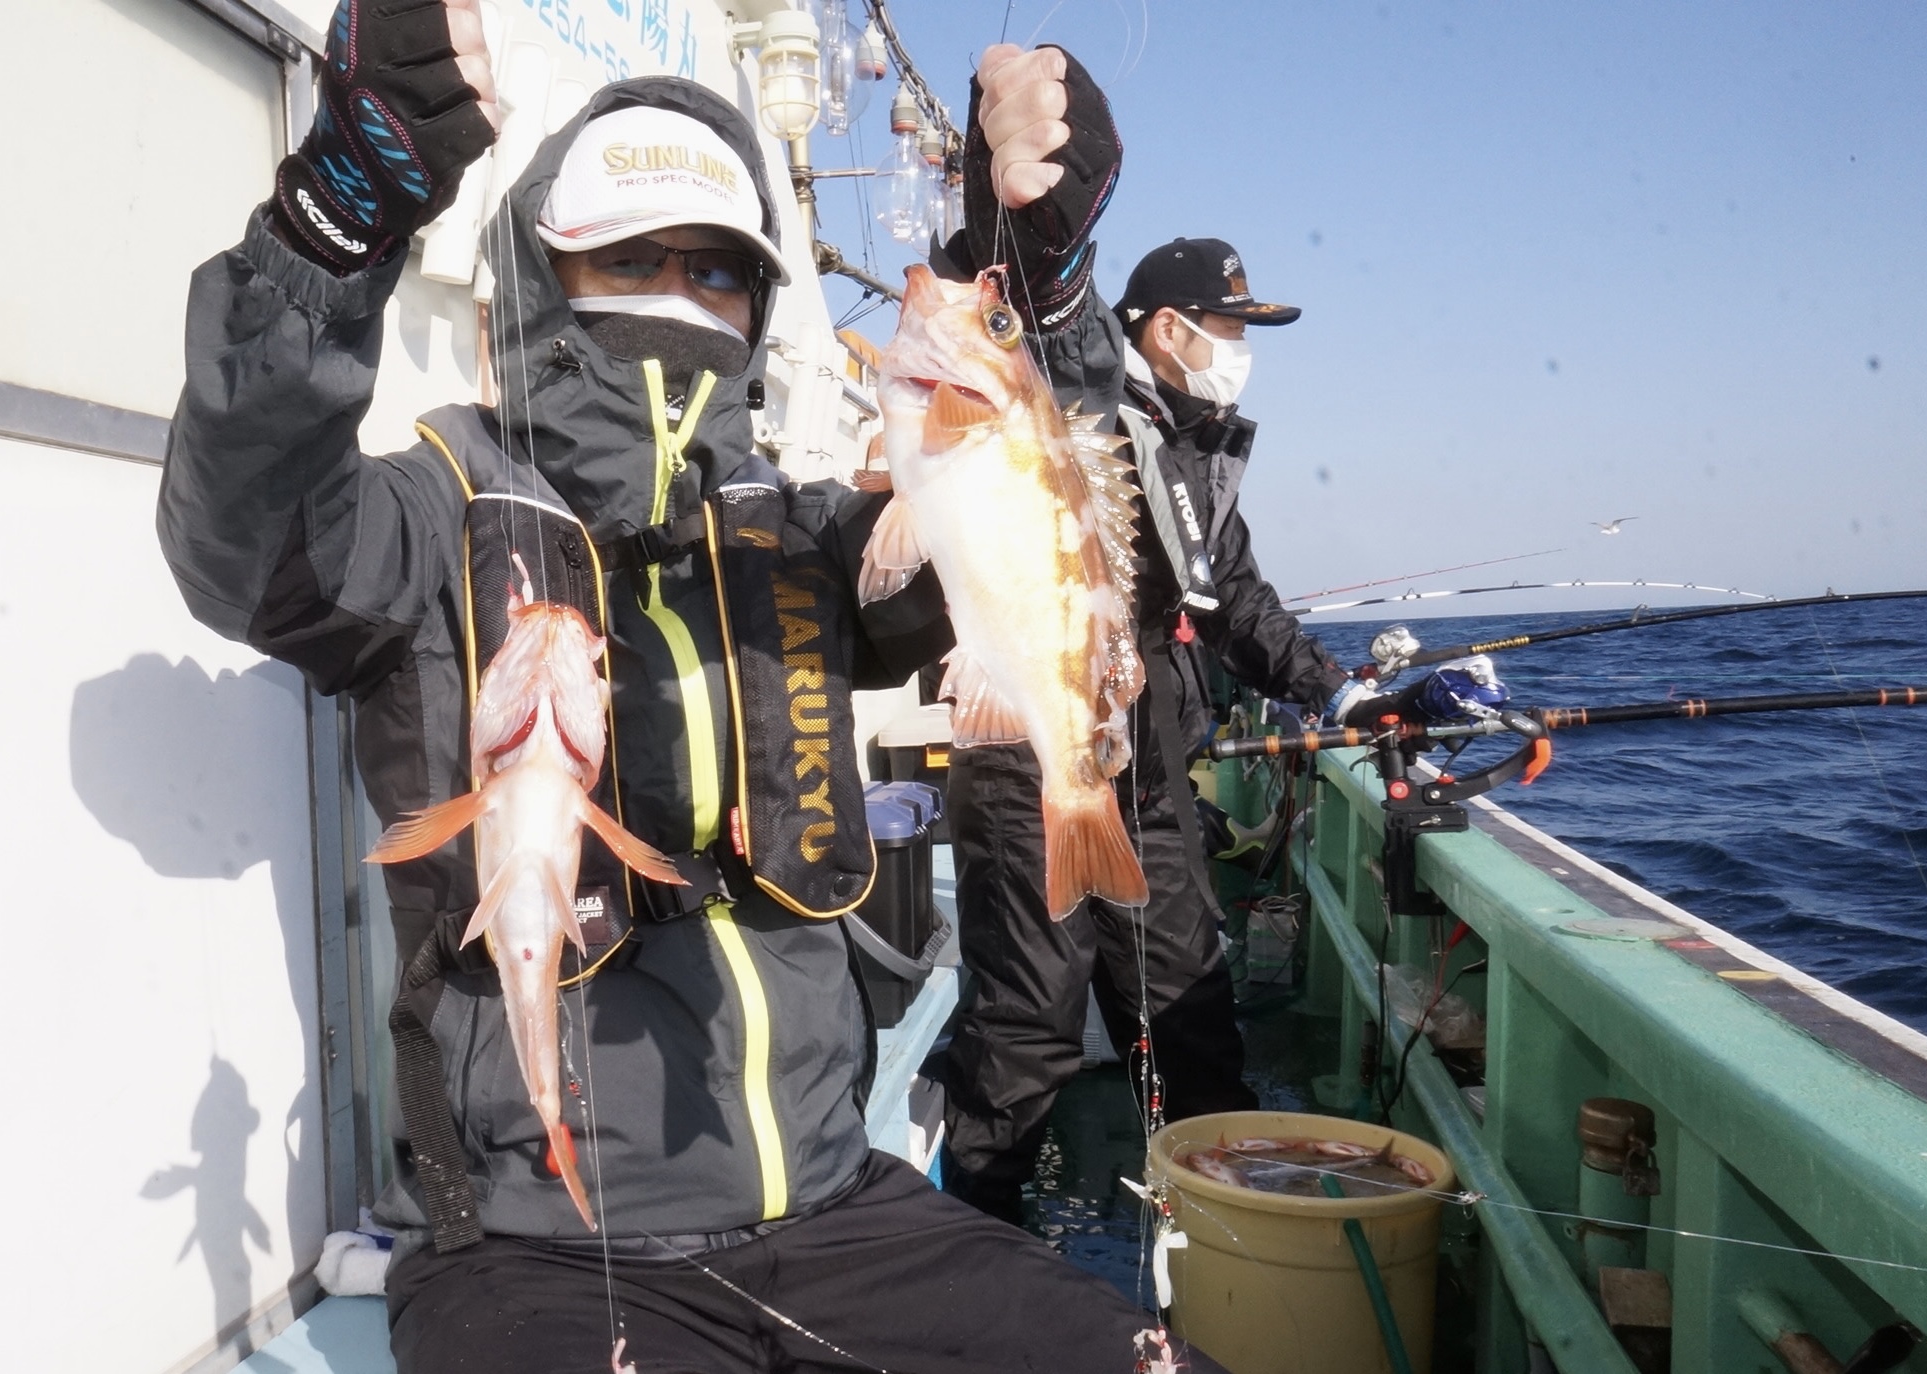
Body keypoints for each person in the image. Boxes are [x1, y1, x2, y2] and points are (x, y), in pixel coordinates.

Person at [158, 3, 1218, 1370]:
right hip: (530, 1250)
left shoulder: (809, 533)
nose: (677, 292)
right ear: (539, 277)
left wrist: (1036, 281)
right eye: (628, 257)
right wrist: (336, 222)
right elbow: (242, 538)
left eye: (717, 269)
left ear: (758, 306)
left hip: (842, 1205)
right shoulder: (429, 516)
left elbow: (1023, 518)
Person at [934, 216, 1440, 1214]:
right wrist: (1012, 229)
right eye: (1231, 326)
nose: (1241, 351)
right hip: (1033, 745)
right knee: (1029, 1020)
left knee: (1187, 1009)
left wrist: (1340, 692)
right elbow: (1019, 329)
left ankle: (1221, 1234)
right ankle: (978, 1247)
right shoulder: (1077, 399)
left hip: (1151, 754)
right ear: (1168, 327)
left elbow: (1232, 593)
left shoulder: (1193, 438)